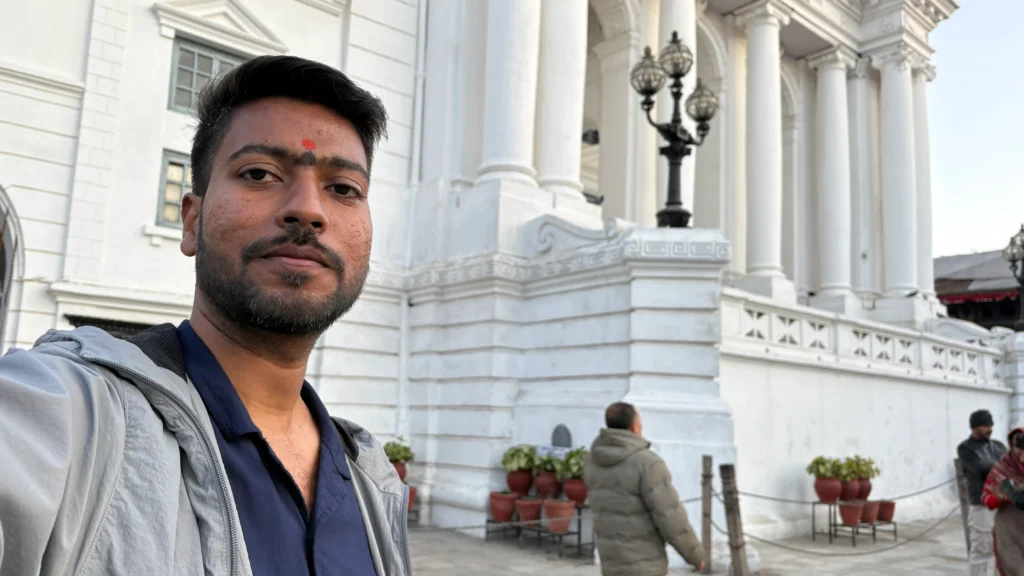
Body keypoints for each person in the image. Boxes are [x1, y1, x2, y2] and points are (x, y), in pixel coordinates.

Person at [0, 56, 410, 576]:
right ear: (191, 221)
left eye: (343, 188)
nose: (309, 209)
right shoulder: (72, 418)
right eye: (260, 173)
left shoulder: (373, 482)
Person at [584, 402, 706, 575]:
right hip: (645, 565)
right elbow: (669, 515)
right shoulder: (647, 463)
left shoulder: (592, 460)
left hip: (611, 564)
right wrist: (695, 555)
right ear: (634, 427)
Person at [958, 409, 1008, 576]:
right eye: (986, 425)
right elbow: (979, 467)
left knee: (1001, 548)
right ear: (975, 427)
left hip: (1002, 503)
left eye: (991, 425)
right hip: (981, 505)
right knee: (982, 549)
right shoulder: (965, 448)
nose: (990, 428)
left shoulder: (999, 446)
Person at [981, 427, 1024, 576]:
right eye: (1019, 452)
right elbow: (988, 501)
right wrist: (999, 496)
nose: (1023, 458)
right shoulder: (1003, 468)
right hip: (1010, 531)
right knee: (1014, 570)